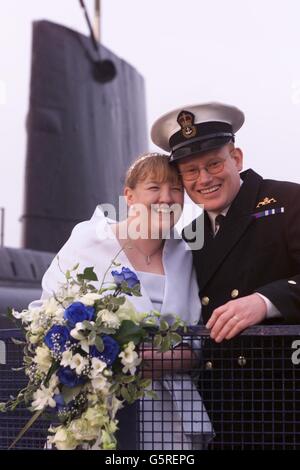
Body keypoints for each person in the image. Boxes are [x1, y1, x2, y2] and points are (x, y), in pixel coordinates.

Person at [38, 152, 214, 450]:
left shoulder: (186, 255)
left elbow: (197, 339)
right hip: (101, 412)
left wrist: (153, 360)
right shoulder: (89, 240)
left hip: (169, 419)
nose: (167, 197)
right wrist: (107, 358)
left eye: (175, 189)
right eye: (154, 187)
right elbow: (45, 315)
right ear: (129, 196)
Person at [151, 102, 300, 448]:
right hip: (220, 413)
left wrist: (266, 301)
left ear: (236, 158)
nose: (204, 179)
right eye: (190, 171)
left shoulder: (289, 201)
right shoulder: (190, 236)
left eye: (214, 163)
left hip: (285, 410)